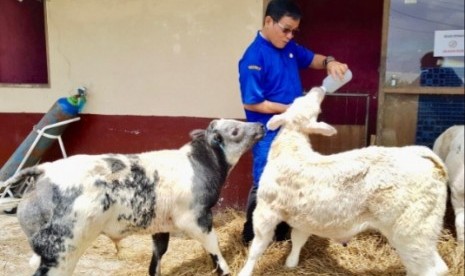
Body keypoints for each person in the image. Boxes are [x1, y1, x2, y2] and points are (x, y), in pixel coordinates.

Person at [238, 0, 349, 244]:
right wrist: (293, 109)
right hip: (269, 130)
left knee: (292, 178)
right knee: (265, 181)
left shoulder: (289, 48)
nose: (289, 36)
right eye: (285, 29)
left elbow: (312, 59)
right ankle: (251, 233)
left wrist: (330, 61)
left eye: (293, 31)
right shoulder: (253, 57)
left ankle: (281, 233)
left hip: (293, 129)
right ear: (268, 21)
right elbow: (252, 103)